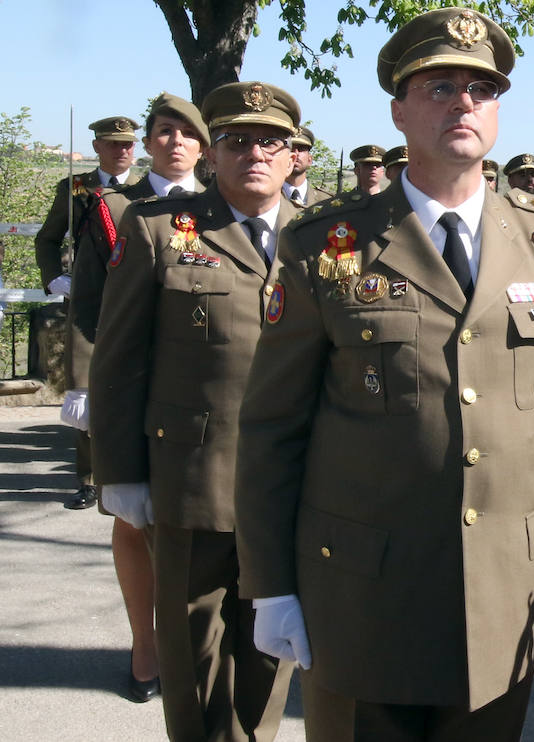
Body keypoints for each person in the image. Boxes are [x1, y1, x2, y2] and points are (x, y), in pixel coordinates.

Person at [234, 8, 534, 741]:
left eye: (482, 88)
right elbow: (273, 426)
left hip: (504, 584)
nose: (464, 103)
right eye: (440, 87)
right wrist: (271, 586)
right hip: (363, 591)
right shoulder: (324, 246)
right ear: (399, 108)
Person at [89, 81, 299, 741]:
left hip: (297, 490)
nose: (255, 154)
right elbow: (118, 359)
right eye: (237, 141)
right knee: (197, 673)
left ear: (295, 155)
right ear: (212, 154)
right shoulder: (158, 230)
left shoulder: (328, 238)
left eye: (272, 142)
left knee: (274, 664)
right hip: (193, 486)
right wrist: (119, 474)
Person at [61, 92, 208, 704]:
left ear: (203, 146)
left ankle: (198, 646)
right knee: (132, 520)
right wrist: (97, 381)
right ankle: (144, 648)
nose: (174, 142)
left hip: (205, 392)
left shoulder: (222, 207)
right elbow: (92, 305)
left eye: (186, 133)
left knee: (204, 527)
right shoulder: (111, 207)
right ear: (148, 143)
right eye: (163, 132)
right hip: (134, 387)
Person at [36, 115, 141, 510]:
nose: (121, 151)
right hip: (90, 299)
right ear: (96, 147)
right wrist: (54, 279)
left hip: (134, 296)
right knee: (87, 388)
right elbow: (48, 239)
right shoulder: (77, 189)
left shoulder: (147, 190)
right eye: (113, 144)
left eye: (128, 144)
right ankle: (88, 478)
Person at [283, 125, 332, 207]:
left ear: (310, 160)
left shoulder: (326, 201)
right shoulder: (266, 198)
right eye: (291, 148)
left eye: (301, 149)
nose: (296, 153)